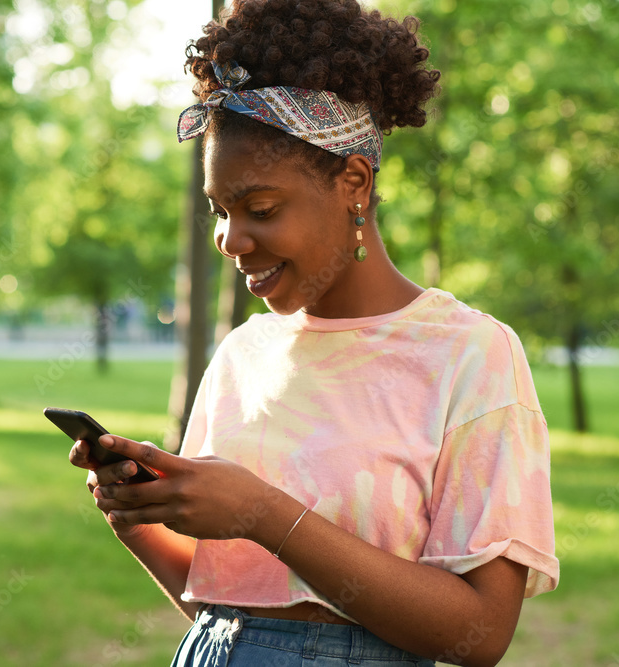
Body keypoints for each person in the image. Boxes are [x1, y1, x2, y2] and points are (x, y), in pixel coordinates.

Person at [69, 1, 559, 665]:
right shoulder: (244, 354)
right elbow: (228, 599)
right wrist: (133, 515)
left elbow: (480, 631)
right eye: (219, 210)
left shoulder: (470, 355)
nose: (231, 239)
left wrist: (264, 512)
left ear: (353, 182)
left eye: (260, 208)